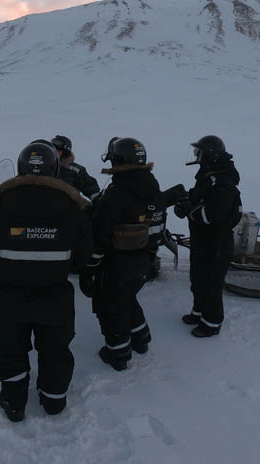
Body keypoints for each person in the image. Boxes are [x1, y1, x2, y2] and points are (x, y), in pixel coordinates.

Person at [0, 141, 92, 422]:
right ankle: (53, 401)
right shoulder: (73, 209)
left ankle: (14, 402)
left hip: (10, 296)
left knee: (10, 349)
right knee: (55, 351)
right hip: (56, 297)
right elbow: (82, 257)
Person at [81, 137, 164, 371]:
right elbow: (157, 228)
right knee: (128, 298)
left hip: (115, 264)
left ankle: (118, 353)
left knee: (110, 306)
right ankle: (141, 339)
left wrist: (91, 267)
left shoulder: (116, 194)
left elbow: (101, 238)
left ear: (118, 161)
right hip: (143, 261)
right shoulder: (152, 187)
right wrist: (148, 254)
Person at [174, 135, 242, 338]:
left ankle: (212, 323)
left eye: (199, 152)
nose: (196, 155)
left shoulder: (222, 182)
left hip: (216, 243)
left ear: (210, 155)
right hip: (202, 240)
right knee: (197, 278)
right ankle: (199, 312)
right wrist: (185, 202)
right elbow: (198, 199)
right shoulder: (208, 176)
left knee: (211, 284)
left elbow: (212, 215)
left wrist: (189, 209)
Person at [51, 134, 101, 201]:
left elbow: (91, 189)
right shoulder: (43, 166)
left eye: (58, 151)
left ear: (65, 153)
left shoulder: (75, 170)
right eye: (52, 150)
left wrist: (98, 202)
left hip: (66, 208)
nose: (54, 152)